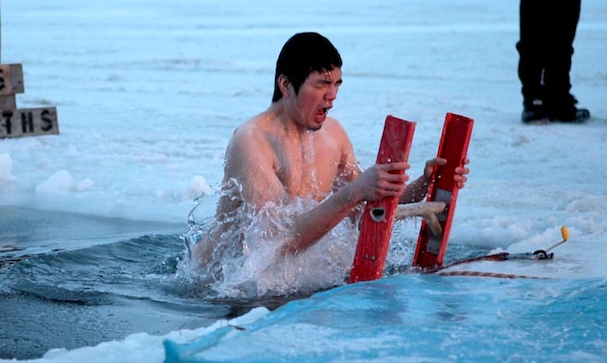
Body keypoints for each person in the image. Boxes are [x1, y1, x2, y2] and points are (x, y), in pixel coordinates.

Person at [190, 32, 469, 278]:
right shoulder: (251, 141)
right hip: (218, 288)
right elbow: (277, 244)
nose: (332, 95)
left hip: (280, 283)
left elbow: (366, 212)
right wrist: (354, 192)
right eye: (322, 83)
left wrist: (425, 183)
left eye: (337, 84)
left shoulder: (333, 135)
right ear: (286, 84)